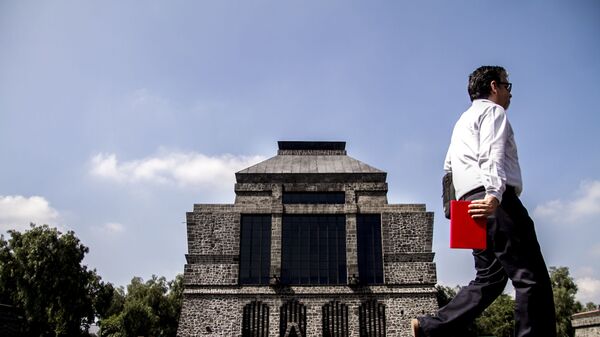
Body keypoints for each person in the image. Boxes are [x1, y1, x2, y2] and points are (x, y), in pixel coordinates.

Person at [411, 66, 556, 337]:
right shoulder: (492, 112)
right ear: (493, 86)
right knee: (530, 277)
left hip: (466, 205)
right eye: (507, 86)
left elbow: (449, 169)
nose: (509, 93)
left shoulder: (461, 122)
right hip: (493, 201)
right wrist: (494, 194)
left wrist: (457, 212)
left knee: (489, 278)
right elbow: (492, 153)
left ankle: (432, 325)